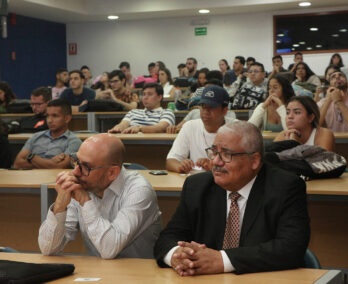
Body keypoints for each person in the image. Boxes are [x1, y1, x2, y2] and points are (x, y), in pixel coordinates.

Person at [154, 120, 310, 275]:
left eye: (227, 154)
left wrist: (223, 260)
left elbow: (291, 248)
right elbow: (168, 237)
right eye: (214, 152)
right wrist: (176, 255)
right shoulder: (197, 186)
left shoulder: (285, 187)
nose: (215, 161)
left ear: (254, 160)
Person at [38, 133, 162, 259]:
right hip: (99, 272)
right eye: (76, 161)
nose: (75, 171)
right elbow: (48, 249)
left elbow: (109, 249)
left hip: (141, 275)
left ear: (112, 173)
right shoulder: (82, 183)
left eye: (86, 166)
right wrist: (60, 206)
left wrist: (85, 201)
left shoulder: (139, 190)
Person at [166, 85, 236, 173]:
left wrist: (214, 167)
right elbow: (171, 161)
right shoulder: (190, 126)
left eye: (211, 107)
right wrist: (181, 166)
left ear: (224, 111)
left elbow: (243, 167)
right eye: (203, 106)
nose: (206, 111)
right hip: (198, 183)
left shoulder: (237, 129)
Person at [12, 99, 82, 169]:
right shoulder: (35, 137)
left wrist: (32, 157)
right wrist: (50, 162)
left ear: (67, 118)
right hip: (31, 178)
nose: (49, 120)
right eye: (47, 116)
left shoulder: (74, 142)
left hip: (53, 179)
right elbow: (17, 164)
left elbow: (59, 167)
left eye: (55, 116)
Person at [108, 83, 175, 134]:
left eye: (149, 94)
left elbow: (161, 128)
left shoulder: (167, 112)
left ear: (159, 97)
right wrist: (117, 128)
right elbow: (123, 124)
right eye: (144, 94)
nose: (145, 97)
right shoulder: (133, 112)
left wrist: (139, 128)